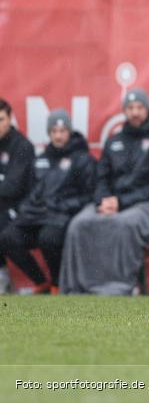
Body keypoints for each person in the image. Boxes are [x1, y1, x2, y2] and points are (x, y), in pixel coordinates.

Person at [59, 88, 149, 295]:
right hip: (113, 203)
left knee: (124, 223)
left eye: (139, 107)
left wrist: (121, 203)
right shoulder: (114, 140)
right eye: (130, 108)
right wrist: (103, 200)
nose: (135, 112)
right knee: (79, 223)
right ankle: (76, 288)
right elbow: (101, 177)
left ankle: (122, 287)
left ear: (148, 109)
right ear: (124, 111)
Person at [0, 110, 95, 293]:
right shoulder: (41, 159)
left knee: (48, 237)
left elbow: (89, 195)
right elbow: (30, 192)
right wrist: (26, 209)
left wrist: (63, 206)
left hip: (63, 218)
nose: (58, 136)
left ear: (69, 131)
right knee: (8, 237)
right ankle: (40, 282)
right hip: (37, 217)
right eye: (54, 131)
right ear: (49, 133)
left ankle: (57, 284)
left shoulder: (83, 160)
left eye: (62, 130)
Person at [0, 98, 36, 294]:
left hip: (22, 208)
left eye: (1, 119)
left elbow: (11, 188)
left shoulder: (22, 146)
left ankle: (39, 282)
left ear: (10, 118)